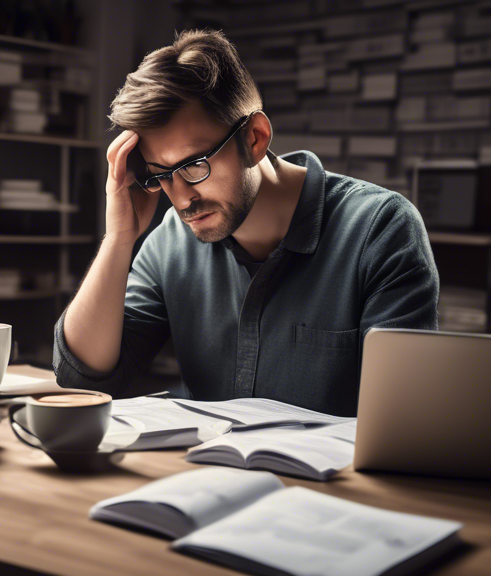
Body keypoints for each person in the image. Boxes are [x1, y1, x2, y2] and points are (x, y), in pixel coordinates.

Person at [52, 29, 438, 416]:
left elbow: (407, 417)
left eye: (194, 165)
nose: (182, 197)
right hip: (206, 474)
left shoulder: (380, 229)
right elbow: (82, 380)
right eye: (162, 173)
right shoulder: (168, 243)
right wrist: (119, 238)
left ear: (255, 138)